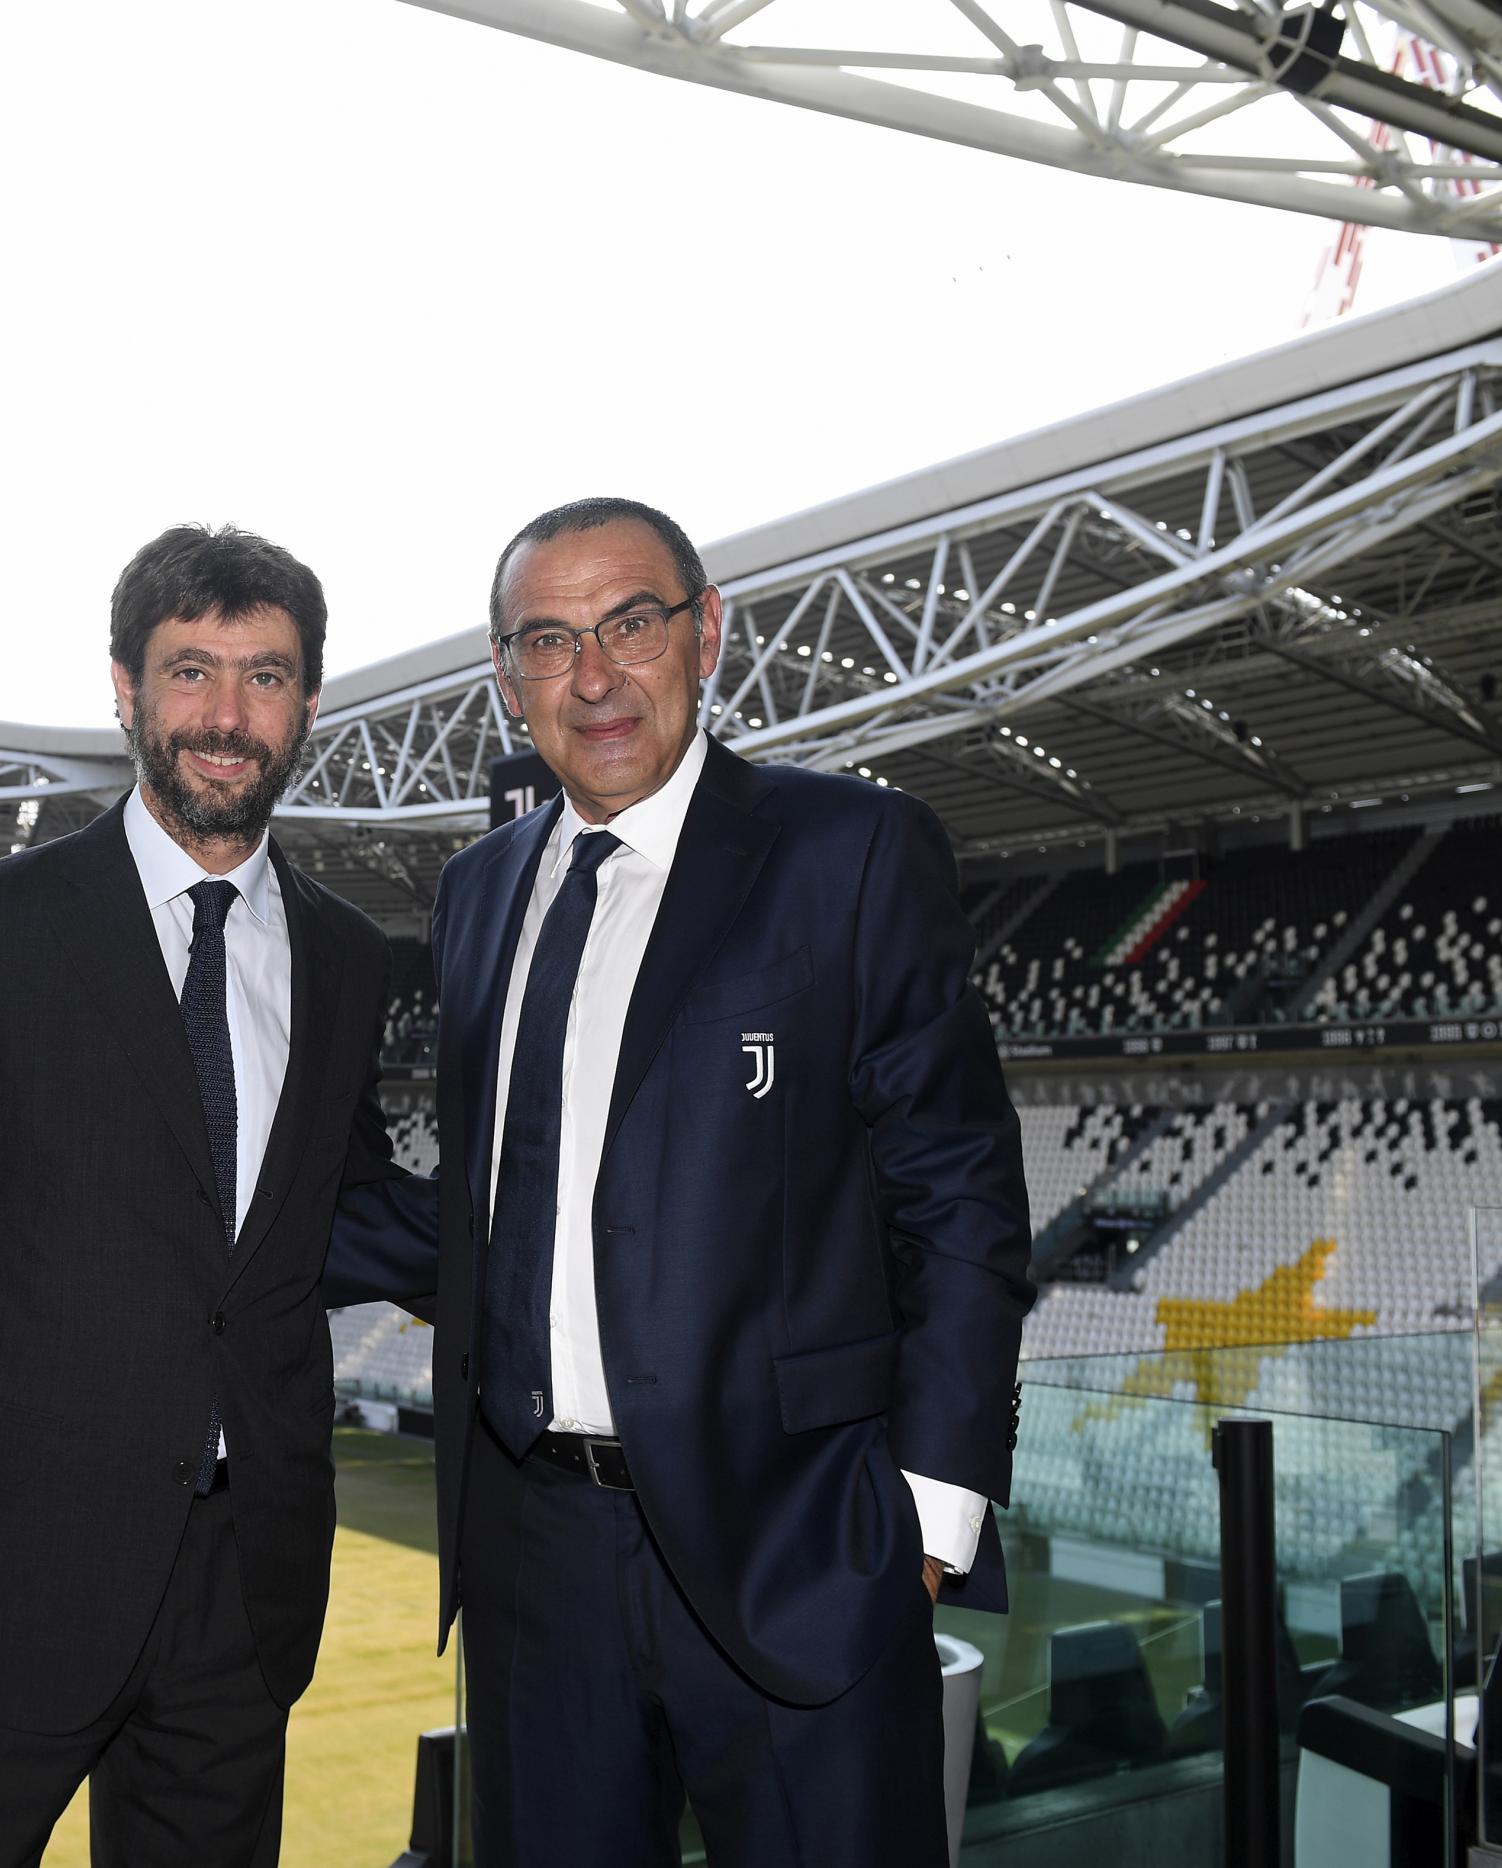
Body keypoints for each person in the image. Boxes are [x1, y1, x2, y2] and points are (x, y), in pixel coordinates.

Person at [325, 496, 1033, 1866]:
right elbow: (500, 1208)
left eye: (629, 625)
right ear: (506, 676)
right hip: (534, 1563)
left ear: (706, 634)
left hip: (798, 1544)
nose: (593, 676)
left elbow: (958, 1193)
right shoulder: (476, 893)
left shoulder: (852, 851)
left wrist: (930, 1522)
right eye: (548, 641)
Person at [0, 523, 405, 1867]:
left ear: (307, 703)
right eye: (190, 671)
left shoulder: (351, 959)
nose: (226, 714)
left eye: (264, 676)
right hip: (0, 1595)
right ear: (125, 690)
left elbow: (335, 1220)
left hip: (241, 1602)